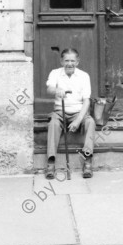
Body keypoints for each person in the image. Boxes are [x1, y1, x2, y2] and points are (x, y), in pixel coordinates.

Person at [45, 48, 95, 179]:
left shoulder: (84, 76)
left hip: (78, 112)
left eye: (73, 61)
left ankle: (87, 160)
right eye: (66, 60)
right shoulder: (55, 73)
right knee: (53, 124)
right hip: (60, 111)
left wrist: (78, 120)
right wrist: (57, 90)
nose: (69, 64)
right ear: (61, 61)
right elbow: (49, 88)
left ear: (77, 62)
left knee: (90, 122)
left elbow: (87, 101)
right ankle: (51, 162)